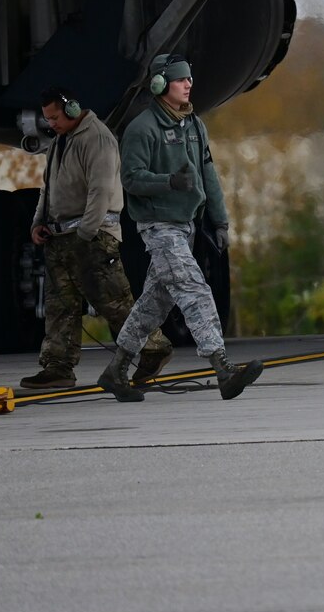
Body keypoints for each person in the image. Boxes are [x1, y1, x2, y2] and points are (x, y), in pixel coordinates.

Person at [97, 54, 262, 403]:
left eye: (189, 78)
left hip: (186, 225)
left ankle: (115, 371)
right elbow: (130, 178)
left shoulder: (194, 126)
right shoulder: (142, 129)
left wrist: (219, 220)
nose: (188, 84)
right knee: (193, 287)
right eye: (180, 79)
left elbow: (208, 176)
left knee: (152, 306)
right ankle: (223, 370)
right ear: (159, 85)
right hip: (158, 226)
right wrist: (169, 181)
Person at [21, 87, 174, 390]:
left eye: (55, 117)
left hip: (92, 237)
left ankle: (154, 348)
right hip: (60, 236)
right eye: (47, 119)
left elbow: (100, 191)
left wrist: (87, 234)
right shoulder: (58, 143)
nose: (51, 124)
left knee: (113, 301)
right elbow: (46, 188)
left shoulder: (98, 139)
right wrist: (38, 221)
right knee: (59, 305)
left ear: (73, 109)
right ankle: (58, 366)